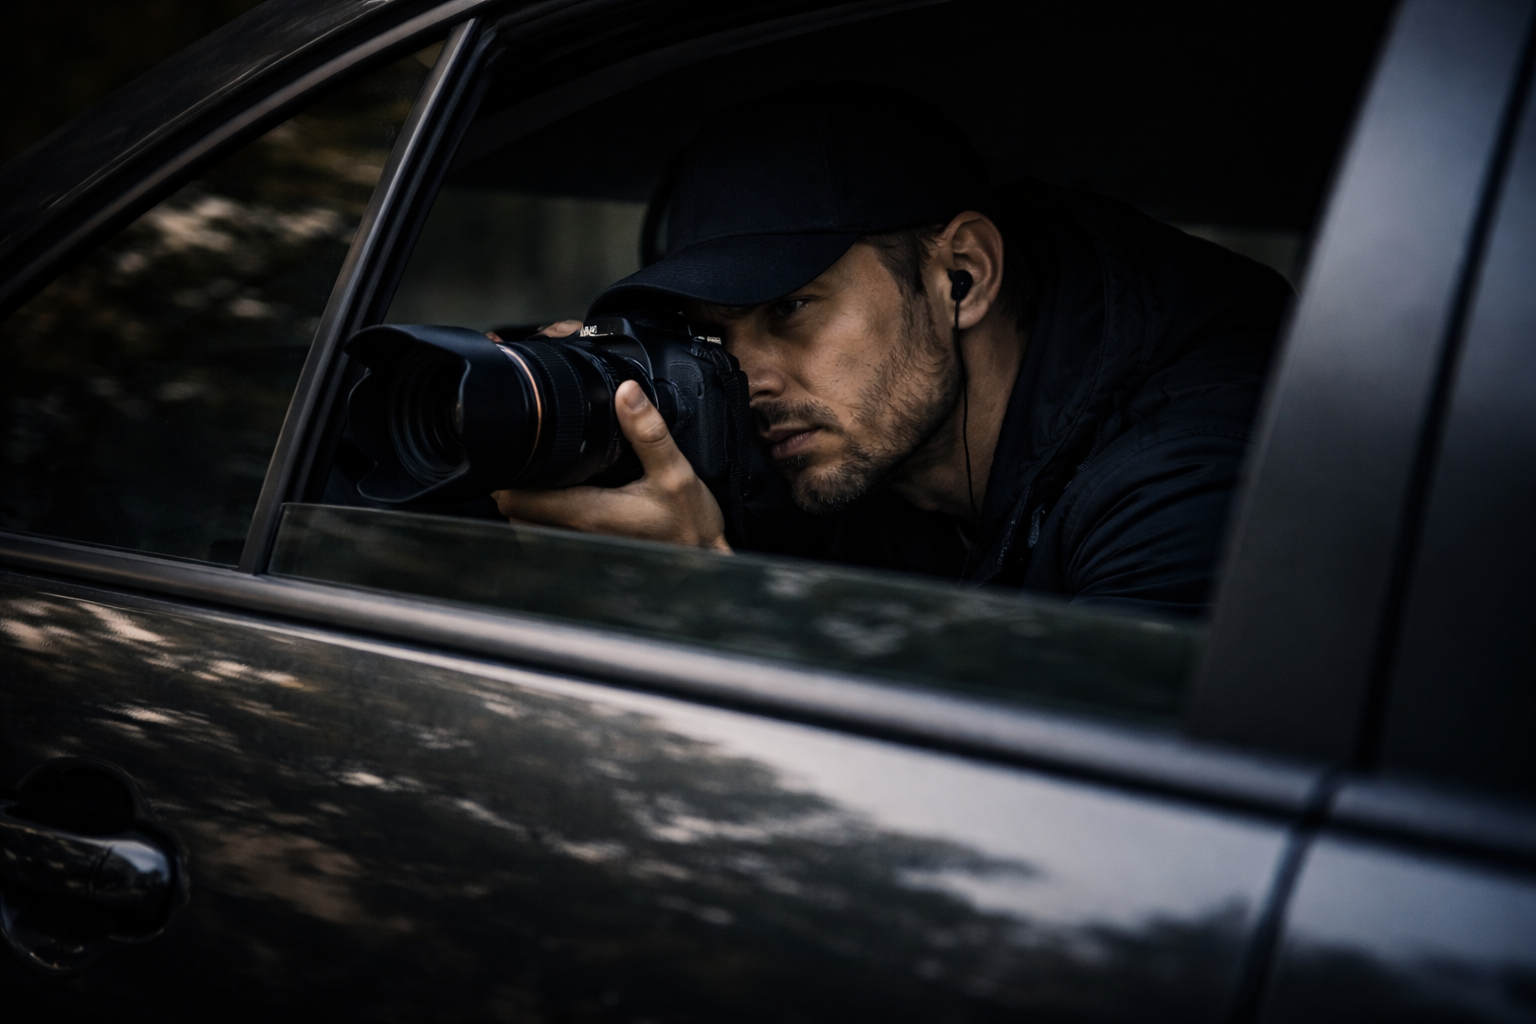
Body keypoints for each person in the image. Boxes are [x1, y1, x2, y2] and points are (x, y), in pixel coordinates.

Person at [493, 83, 1291, 617]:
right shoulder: (850, 457)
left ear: (963, 276)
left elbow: (1071, 829)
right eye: (717, 336)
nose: (750, 378)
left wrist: (708, 587)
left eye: (791, 307)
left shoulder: (1190, 489)